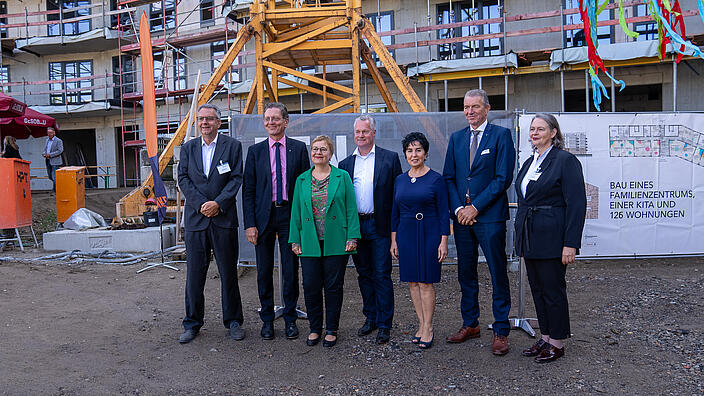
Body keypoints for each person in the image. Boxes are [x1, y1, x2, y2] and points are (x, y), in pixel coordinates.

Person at [442, 89, 516, 355]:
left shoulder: (501, 136)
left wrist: (476, 207)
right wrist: (460, 208)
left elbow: (503, 177)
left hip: (490, 217)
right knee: (466, 273)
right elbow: (449, 177)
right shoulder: (457, 138)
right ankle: (470, 323)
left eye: (475, 107)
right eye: (466, 107)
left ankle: (501, 330)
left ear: (487, 108)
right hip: (462, 218)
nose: (470, 111)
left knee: (497, 273)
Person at [514, 113, 586, 363]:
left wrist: (571, 243)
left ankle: (557, 342)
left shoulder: (565, 161)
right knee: (538, 288)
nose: (534, 133)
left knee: (553, 290)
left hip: (553, 237)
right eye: (532, 129)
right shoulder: (530, 161)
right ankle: (545, 337)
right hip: (530, 237)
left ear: (553, 133)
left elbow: (577, 204)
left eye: (540, 129)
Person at [177, 103, 245, 344]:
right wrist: (200, 204)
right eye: (201, 119)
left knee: (228, 273)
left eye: (209, 119)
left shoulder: (232, 146)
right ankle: (192, 323)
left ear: (218, 122)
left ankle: (234, 321)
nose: (204, 122)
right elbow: (182, 178)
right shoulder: (187, 148)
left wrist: (218, 203)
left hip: (223, 218)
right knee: (194, 275)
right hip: (196, 220)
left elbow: (236, 177)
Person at [243, 102, 310, 341]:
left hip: (289, 216)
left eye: (275, 119)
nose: (271, 123)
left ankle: (290, 319)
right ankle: (268, 320)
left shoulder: (299, 149)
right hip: (263, 218)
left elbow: (304, 188)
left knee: (291, 270)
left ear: (285, 121)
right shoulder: (255, 152)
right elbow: (248, 189)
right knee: (263, 270)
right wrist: (249, 223)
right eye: (267, 119)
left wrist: (302, 221)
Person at [289, 135, 360, 348]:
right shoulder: (302, 179)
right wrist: (295, 239)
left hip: (336, 240)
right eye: (315, 149)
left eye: (323, 149)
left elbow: (350, 207)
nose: (318, 153)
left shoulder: (342, 176)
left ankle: (331, 329)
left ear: (330, 153)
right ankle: (314, 328)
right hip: (309, 240)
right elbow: (296, 212)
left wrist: (352, 236)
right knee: (310, 285)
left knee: (333, 286)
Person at [338, 115, 402, 344]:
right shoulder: (345, 164)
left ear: (373, 133)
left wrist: (396, 231)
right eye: (357, 132)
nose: (361, 136)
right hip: (356, 226)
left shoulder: (389, 159)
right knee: (363, 274)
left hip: (380, 225)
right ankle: (371, 318)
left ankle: (385, 323)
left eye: (365, 131)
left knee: (382, 274)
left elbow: (397, 197)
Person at [390, 132, 450, 350]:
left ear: (425, 153)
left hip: (429, 232)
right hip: (405, 233)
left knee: (426, 281)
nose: (413, 154)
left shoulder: (436, 179)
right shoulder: (400, 179)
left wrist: (443, 241)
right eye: (409, 150)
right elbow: (394, 212)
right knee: (413, 282)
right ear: (405, 154)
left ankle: (429, 326)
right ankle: (420, 323)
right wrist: (393, 241)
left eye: (418, 150)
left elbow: (444, 213)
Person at [43, 126, 64, 192]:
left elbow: (60, 150)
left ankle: (56, 191)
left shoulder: (58, 141)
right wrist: (44, 154)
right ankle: (58, 187)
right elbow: (46, 150)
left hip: (55, 161)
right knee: (50, 176)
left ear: (54, 133)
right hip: (48, 160)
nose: (49, 134)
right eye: (48, 133)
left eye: (50, 133)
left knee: (54, 177)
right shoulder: (47, 140)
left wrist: (51, 155)